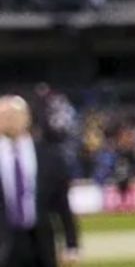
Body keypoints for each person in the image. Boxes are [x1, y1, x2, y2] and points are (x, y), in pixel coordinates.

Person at [0, 97, 76, 267]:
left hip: (41, 241)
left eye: (13, 114)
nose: (8, 120)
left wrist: (72, 244)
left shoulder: (49, 156)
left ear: (27, 118)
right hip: (4, 241)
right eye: (3, 115)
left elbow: (62, 204)